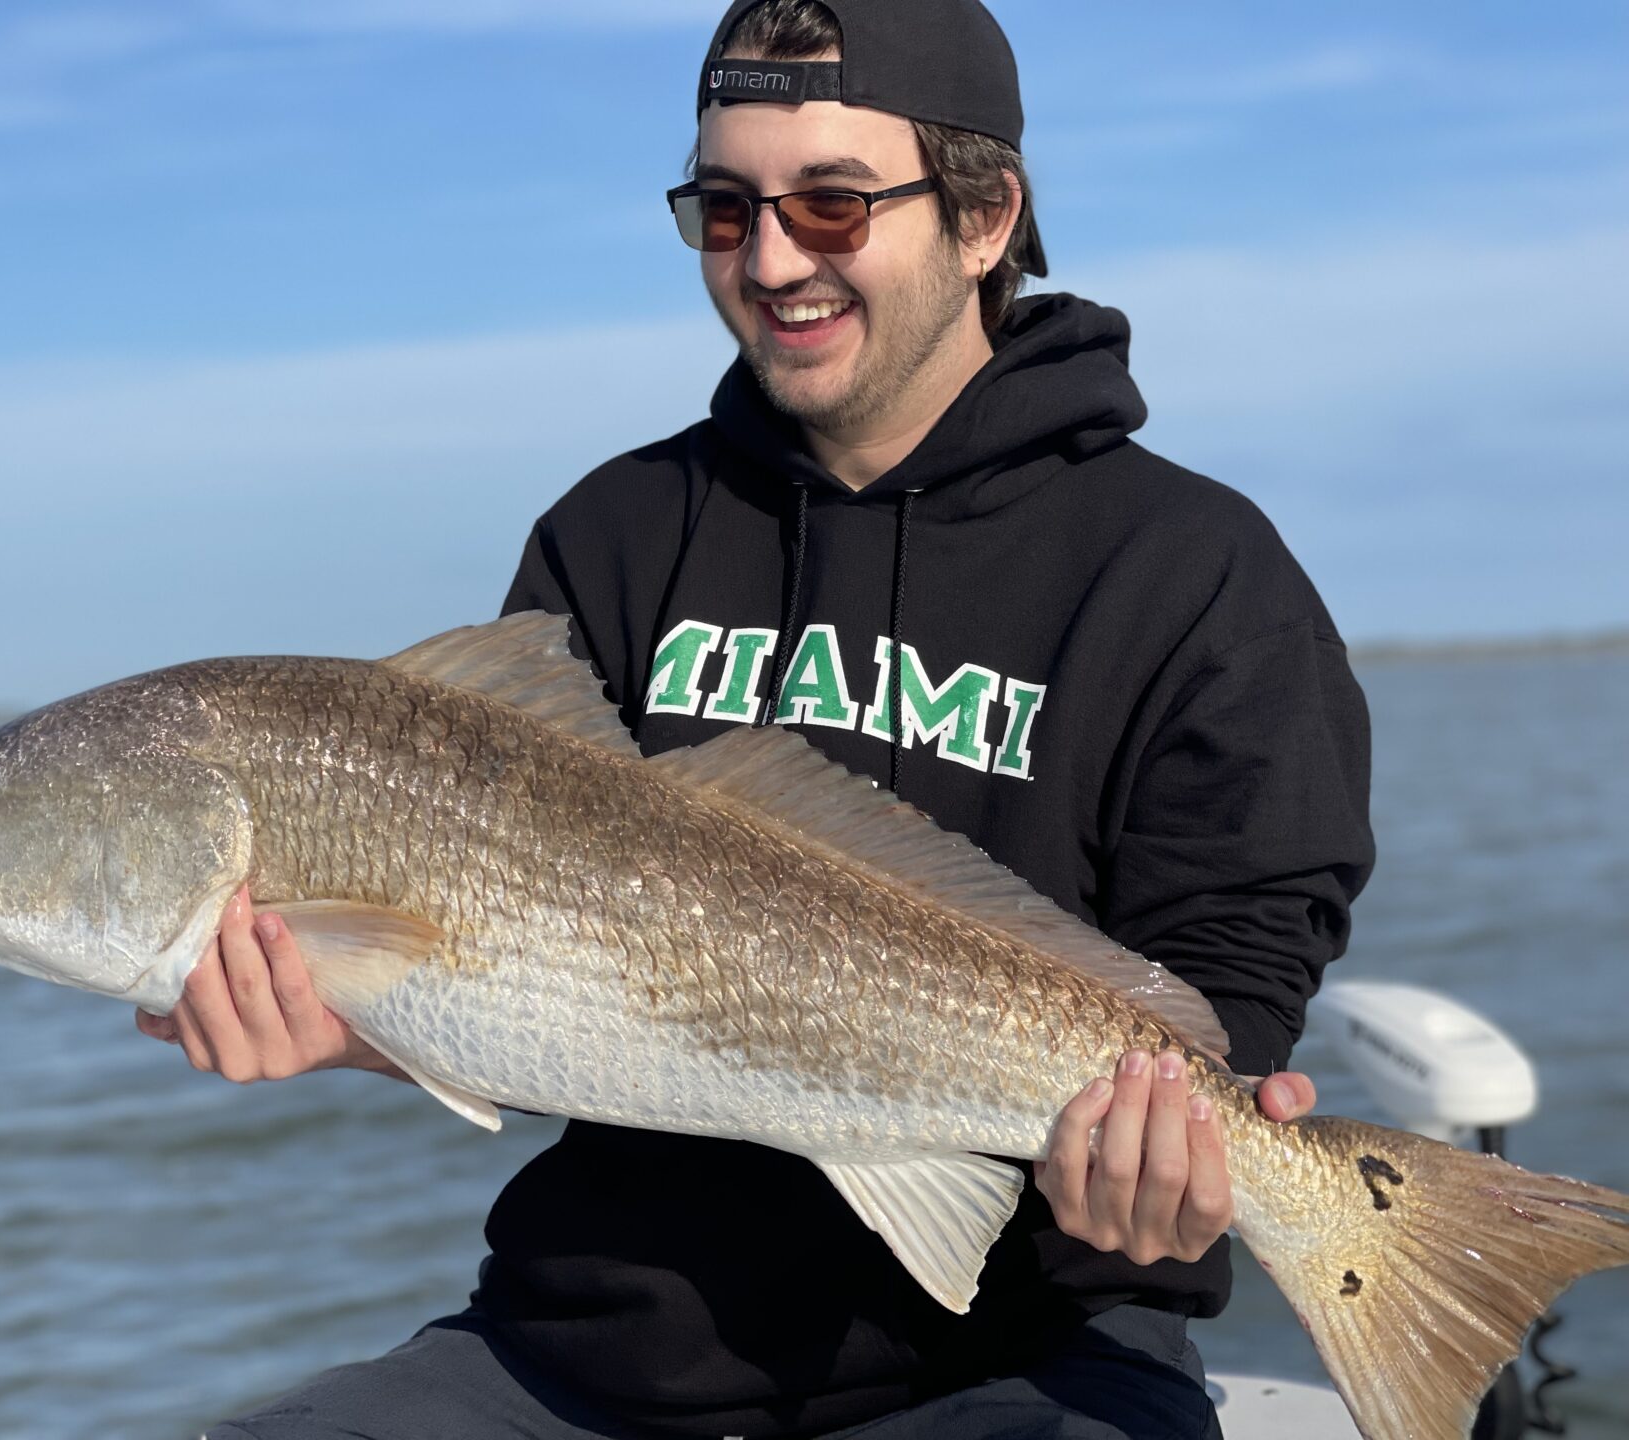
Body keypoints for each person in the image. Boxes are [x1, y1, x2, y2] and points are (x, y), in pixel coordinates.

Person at [152, 1, 1375, 1435]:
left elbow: (1229, 969)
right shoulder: (611, 536)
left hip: (1028, 1357)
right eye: (724, 210)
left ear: (988, 218)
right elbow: (515, 977)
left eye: (835, 205)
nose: (774, 259)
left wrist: (1173, 1171)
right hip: (591, 1353)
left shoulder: (1196, 572)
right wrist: (332, 1013)